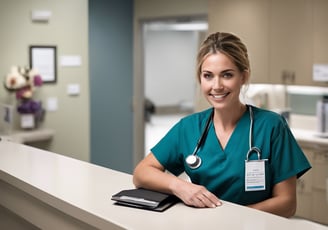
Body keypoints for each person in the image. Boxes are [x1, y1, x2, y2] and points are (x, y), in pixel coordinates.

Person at [133, 32, 311, 218]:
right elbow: (141, 173)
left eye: (227, 75)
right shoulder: (189, 127)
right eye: (208, 76)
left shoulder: (271, 126)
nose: (216, 86)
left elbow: (287, 203)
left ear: (243, 77)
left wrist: (230, 218)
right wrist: (180, 186)